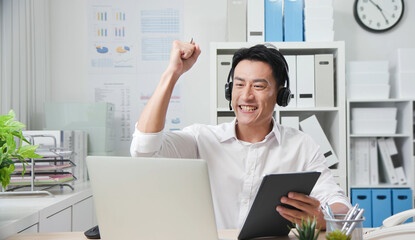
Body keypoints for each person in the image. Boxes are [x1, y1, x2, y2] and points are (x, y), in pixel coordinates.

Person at [130, 40, 350, 229]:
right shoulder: (201, 139)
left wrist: (324, 219)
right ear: (229, 91)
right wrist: (172, 73)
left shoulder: (301, 145)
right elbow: (143, 150)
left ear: (281, 95)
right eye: (239, 84)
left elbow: (340, 205)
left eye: (259, 86)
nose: (246, 96)